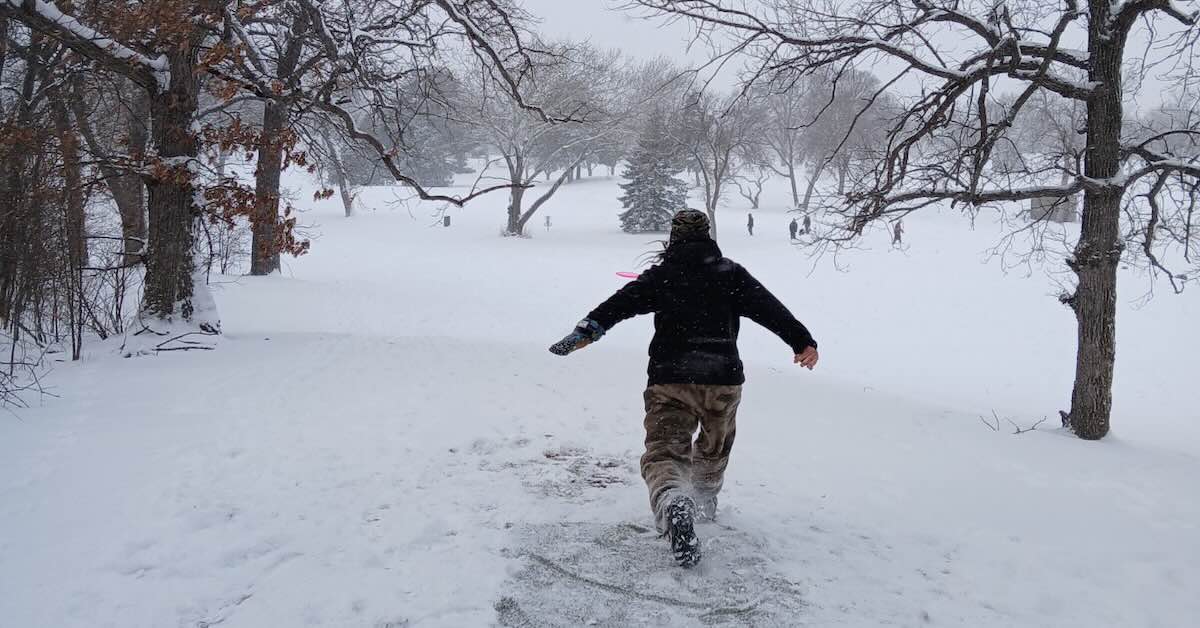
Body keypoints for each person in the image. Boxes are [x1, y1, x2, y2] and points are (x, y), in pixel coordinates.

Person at [548, 210, 819, 568]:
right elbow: (771, 310)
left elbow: (620, 303)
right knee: (714, 448)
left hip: (670, 379)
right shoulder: (731, 274)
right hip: (722, 380)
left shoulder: (662, 276)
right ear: (708, 235)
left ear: (673, 238)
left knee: (664, 453)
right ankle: (703, 502)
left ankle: (673, 499)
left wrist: (585, 331)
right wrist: (802, 342)